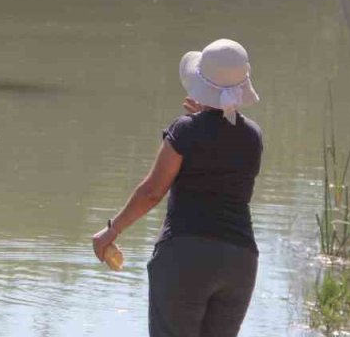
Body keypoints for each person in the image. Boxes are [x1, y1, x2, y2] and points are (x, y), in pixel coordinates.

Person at [91, 38, 263, 337]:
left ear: (202, 84)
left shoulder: (185, 129)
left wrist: (111, 230)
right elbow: (221, 143)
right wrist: (204, 114)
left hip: (186, 254)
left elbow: (152, 192)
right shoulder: (253, 135)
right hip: (240, 260)